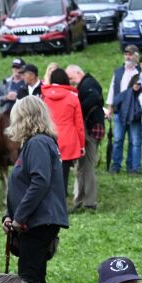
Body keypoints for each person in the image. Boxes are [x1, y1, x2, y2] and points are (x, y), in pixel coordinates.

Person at [3, 96, 68, 283]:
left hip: (37, 221)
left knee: (30, 277)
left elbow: (40, 181)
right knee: (33, 274)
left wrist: (19, 217)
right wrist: (9, 216)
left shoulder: (38, 143)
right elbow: (24, 185)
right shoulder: (38, 143)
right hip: (36, 219)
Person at [66, 65, 104, 214]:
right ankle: (80, 200)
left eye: (71, 77)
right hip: (90, 129)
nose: (70, 81)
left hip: (89, 129)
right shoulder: (88, 83)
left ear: (78, 72)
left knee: (87, 167)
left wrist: (77, 108)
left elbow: (95, 98)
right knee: (82, 167)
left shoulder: (88, 83)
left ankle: (89, 202)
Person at [41, 68, 85, 198]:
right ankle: (62, 200)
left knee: (50, 172)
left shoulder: (44, 97)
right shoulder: (72, 97)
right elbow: (79, 124)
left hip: (49, 137)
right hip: (68, 139)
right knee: (64, 172)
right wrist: (81, 145)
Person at [108, 45, 142, 175]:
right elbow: (112, 89)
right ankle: (115, 166)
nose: (128, 57)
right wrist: (110, 108)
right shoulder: (118, 72)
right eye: (126, 54)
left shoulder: (140, 72)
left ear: (136, 56)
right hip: (119, 110)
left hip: (134, 111)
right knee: (118, 140)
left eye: (131, 54)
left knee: (134, 140)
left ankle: (132, 166)